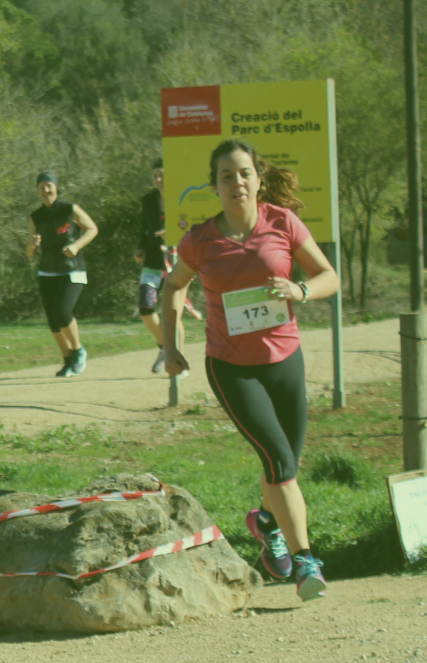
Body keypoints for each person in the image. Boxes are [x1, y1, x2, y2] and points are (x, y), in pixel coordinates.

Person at [160, 140, 339, 602]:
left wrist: (300, 290)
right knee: (280, 463)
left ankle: (265, 523)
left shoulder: (282, 222)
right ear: (215, 185)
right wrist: (170, 345)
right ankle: (306, 561)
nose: (236, 182)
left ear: (258, 179)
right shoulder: (200, 239)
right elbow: (173, 286)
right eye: (226, 176)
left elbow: (329, 276)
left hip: (285, 360)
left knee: (285, 463)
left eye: (244, 173)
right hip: (232, 368)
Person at [27, 172, 99, 377]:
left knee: (62, 311)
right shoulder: (36, 216)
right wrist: (32, 245)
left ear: (56, 188)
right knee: (52, 319)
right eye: (41, 187)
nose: (45, 190)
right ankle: (67, 360)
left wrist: (76, 245)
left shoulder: (69, 209)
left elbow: (92, 229)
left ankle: (78, 350)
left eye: (48, 186)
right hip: (47, 271)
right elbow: (30, 252)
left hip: (72, 269)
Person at [134, 159, 185, 374]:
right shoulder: (148, 199)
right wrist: (140, 248)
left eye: (162, 174)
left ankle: (179, 362)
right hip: (153, 263)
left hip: (178, 261)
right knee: (146, 309)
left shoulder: (183, 197)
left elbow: (192, 226)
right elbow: (145, 228)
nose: (159, 179)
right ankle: (165, 348)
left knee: (173, 313)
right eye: (155, 175)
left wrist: (173, 231)